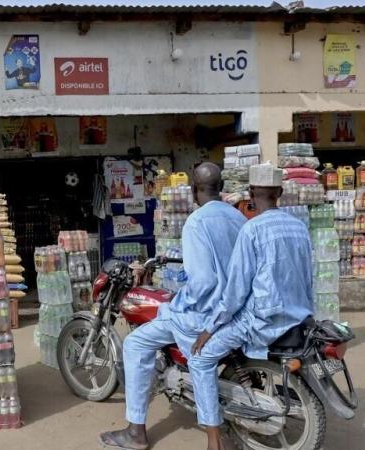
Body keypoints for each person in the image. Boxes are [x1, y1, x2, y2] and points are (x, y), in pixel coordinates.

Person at [99, 162, 247, 450]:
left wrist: (179, 302)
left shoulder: (197, 222)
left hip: (203, 314)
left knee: (135, 344)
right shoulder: (237, 217)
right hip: (234, 310)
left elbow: (202, 281)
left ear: (193, 190)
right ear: (221, 188)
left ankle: (136, 431)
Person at [190, 163, 314, 450]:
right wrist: (309, 316)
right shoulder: (299, 228)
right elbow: (309, 280)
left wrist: (210, 327)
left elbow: (235, 293)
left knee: (199, 359)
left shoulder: (252, 230)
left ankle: (214, 439)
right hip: (297, 319)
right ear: (280, 192)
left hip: (260, 322)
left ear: (250, 193)